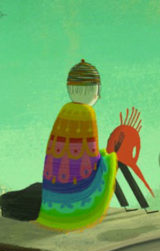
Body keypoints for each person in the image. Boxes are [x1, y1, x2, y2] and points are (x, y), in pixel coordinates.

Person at [37, 59, 117, 232]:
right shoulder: (87, 113)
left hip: (53, 190)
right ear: (93, 91)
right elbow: (91, 155)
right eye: (98, 91)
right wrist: (106, 158)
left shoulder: (65, 110)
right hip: (81, 185)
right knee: (110, 160)